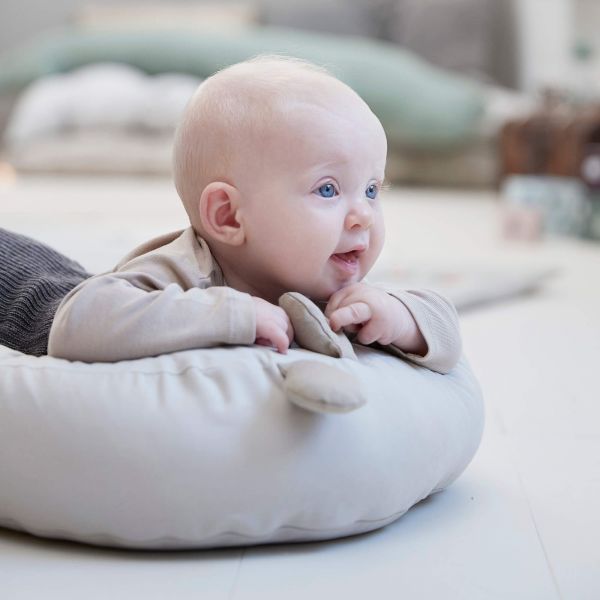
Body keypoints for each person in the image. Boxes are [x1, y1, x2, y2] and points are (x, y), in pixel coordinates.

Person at [47, 55, 461, 373]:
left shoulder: (332, 280)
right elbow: (75, 322)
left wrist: (399, 318)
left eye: (372, 190)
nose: (363, 217)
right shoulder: (184, 271)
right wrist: (233, 315)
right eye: (328, 189)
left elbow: (445, 325)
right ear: (228, 217)